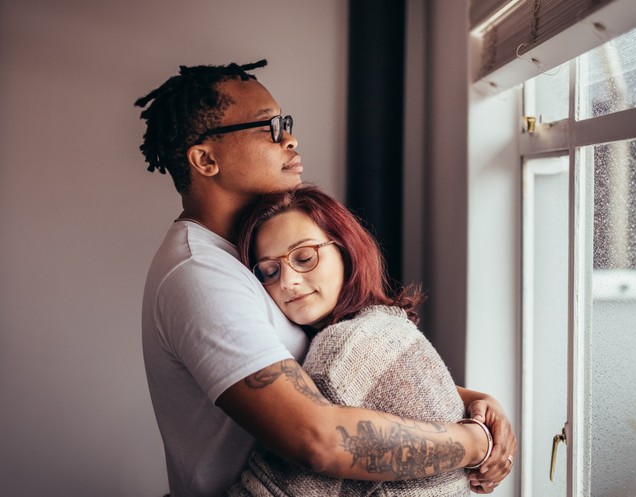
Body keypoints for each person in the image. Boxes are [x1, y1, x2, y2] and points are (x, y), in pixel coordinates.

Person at [135, 60, 516, 497]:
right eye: (269, 127)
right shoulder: (201, 275)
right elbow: (316, 439)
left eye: (286, 124)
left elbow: (335, 375)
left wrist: (469, 403)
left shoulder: (245, 253)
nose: (290, 138)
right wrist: (473, 442)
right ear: (205, 159)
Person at [224, 184, 485, 496]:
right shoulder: (387, 326)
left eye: (305, 257)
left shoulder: (343, 346)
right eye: (269, 270)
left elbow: (274, 490)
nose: (288, 281)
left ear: (345, 248)